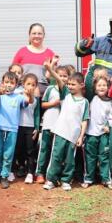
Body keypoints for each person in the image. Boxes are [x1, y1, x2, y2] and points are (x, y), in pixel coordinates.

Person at [42, 60, 89, 192]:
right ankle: (51, 179)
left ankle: (66, 180)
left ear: (81, 85)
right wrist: (50, 69)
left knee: (69, 160)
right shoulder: (66, 94)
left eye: (73, 84)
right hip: (60, 132)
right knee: (56, 156)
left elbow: (84, 120)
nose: (70, 86)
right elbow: (58, 80)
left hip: (73, 135)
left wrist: (81, 136)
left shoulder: (85, 102)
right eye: (69, 84)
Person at [0, 71, 35, 189]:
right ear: (2, 83)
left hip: (13, 129)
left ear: (16, 84)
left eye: (12, 82)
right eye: (6, 82)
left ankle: (4, 175)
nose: (9, 85)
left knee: (8, 154)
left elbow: (29, 101)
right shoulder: (0, 95)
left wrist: (30, 94)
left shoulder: (19, 97)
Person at [34, 63, 68, 184]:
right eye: (60, 75)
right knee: (44, 148)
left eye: (65, 76)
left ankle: (54, 174)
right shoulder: (49, 89)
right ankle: (40, 173)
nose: (62, 78)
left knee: (57, 151)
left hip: (60, 126)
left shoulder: (67, 90)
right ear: (55, 76)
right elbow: (43, 104)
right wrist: (54, 103)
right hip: (48, 123)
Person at [82, 75, 112, 189]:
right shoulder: (92, 98)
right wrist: (90, 70)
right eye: (99, 85)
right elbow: (88, 83)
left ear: (108, 87)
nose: (101, 87)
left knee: (104, 157)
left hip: (103, 134)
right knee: (90, 158)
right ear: (95, 88)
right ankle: (88, 178)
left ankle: (106, 179)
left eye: (104, 85)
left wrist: (108, 126)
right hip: (91, 134)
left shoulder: (110, 101)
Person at [11, 23, 56, 93]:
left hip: (43, 92)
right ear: (29, 35)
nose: (37, 36)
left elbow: (54, 77)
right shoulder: (21, 51)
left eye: (39, 33)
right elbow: (13, 73)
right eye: (34, 33)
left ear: (44, 35)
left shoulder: (50, 53)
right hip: (23, 91)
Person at [14, 73, 41, 184]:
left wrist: (37, 127)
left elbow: (37, 114)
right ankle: (19, 168)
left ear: (36, 86)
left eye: (33, 84)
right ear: (23, 84)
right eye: (28, 84)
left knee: (30, 151)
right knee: (18, 148)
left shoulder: (36, 99)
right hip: (18, 126)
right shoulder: (18, 94)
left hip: (30, 127)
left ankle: (30, 172)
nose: (30, 86)